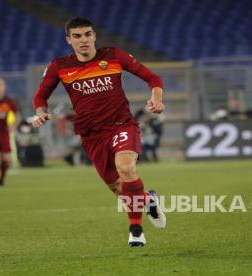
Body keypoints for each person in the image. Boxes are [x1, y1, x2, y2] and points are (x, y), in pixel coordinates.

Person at [32, 17, 166, 247]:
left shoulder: (114, 56)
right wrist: (41, 112)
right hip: (91, 133)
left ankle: (135, 229)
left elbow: (152, 78)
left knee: (126, 167)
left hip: (121, 125)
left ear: (94, 36)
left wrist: (156, 98)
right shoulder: (60, 66)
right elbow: (40, 96)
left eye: (87, 34)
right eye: (77, 36)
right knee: (118, 188)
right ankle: (148, 200)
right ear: (69, 40)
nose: (83, 40)